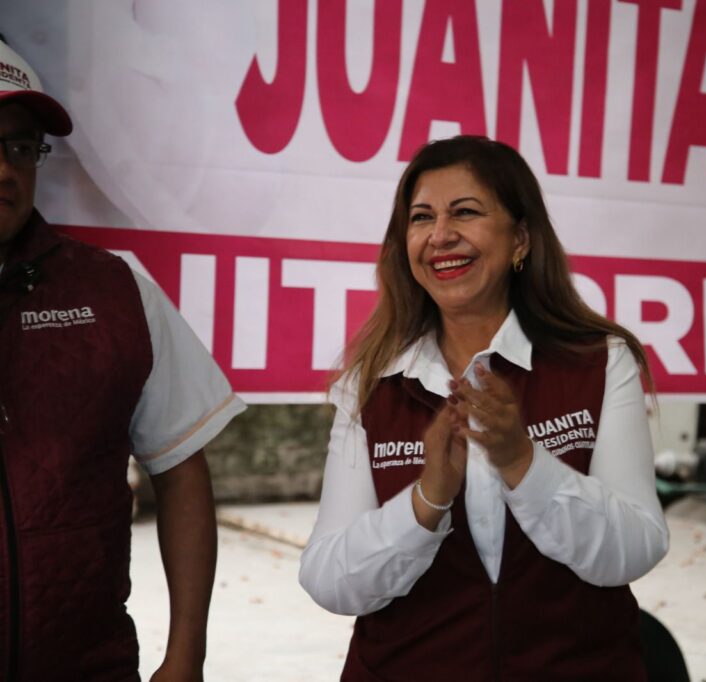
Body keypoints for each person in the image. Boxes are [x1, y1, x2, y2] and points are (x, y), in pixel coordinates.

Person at [300, 135, 670, 680]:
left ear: (521, 238)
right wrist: (427, 500)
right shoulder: (371, 383)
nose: (441, 235)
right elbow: (329, 581)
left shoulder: (598, 361)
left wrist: (523, 462)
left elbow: (636, 548)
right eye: (422, 217)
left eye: (466, 212)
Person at [0, 39, 245, 680]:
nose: (3, 169)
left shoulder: (117, 288)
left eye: (20, 147)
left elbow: (182, 468)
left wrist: (186, 654)